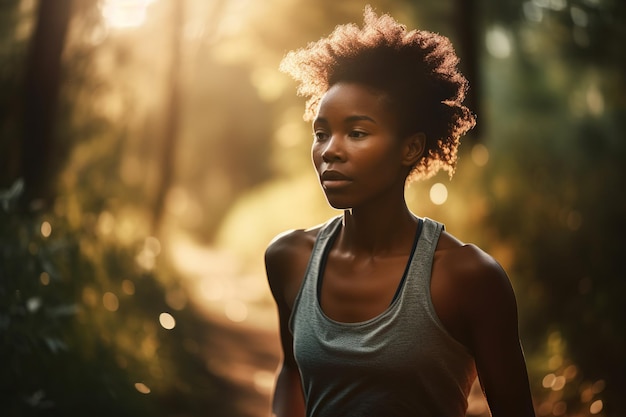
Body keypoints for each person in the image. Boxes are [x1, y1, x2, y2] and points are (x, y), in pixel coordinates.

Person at [265, 5, 535, 417]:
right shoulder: (289, 259)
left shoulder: (468, 277)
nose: (330, 150)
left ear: (410, 148)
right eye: (321, 133)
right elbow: (292, 372)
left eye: (357, 132)